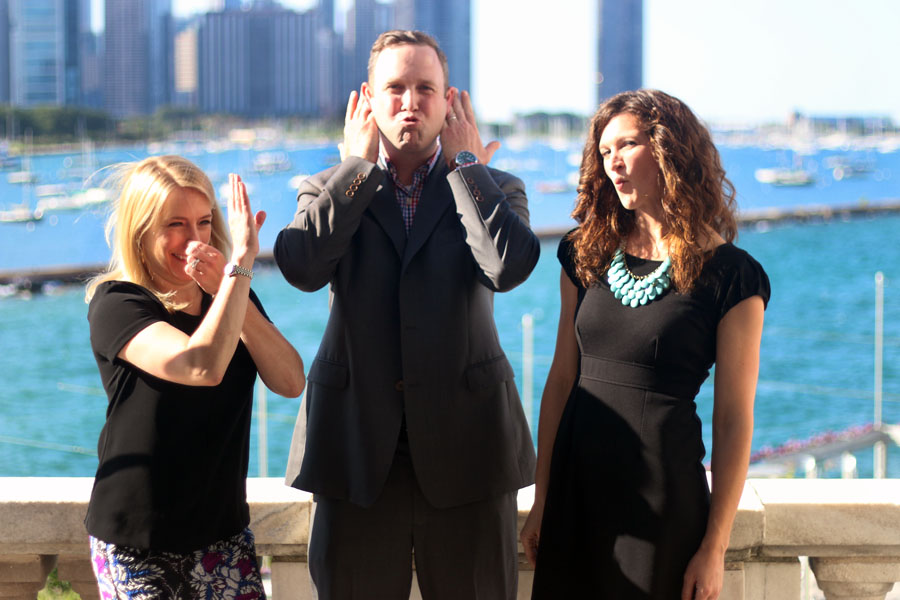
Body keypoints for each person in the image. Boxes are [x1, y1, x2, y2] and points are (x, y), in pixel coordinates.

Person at [275, 30, 539, 599]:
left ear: (450, 102)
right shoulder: (328, 188)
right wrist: (353, 168)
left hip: (470, 451)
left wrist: (469, 168)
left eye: (426, 88)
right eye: (395, 88)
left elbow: (509, 267)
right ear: (368, 101)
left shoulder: (493, 187)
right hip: (357, 454)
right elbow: (300, 267)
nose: (410, 102)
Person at [519, 89, 770, 600]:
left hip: (662, 506)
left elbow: (733, 419)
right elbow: (562, 380)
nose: (612, 163)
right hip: (576, 493)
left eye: (627, 145)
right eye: (604, 150)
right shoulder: (583, 252)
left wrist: (714, 547)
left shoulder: (732, 278)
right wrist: (543, 500)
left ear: (669, 150)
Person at [84, 155, 305, 599]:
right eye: (176, 224)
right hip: (137, 540)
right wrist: (240, 265)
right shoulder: (117, 303)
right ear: (141, 229)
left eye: (203, 222)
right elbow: (200, 365)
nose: (194, 238)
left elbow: (290, 380)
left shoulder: (231, 295)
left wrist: (230, 286)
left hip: (222, 536)